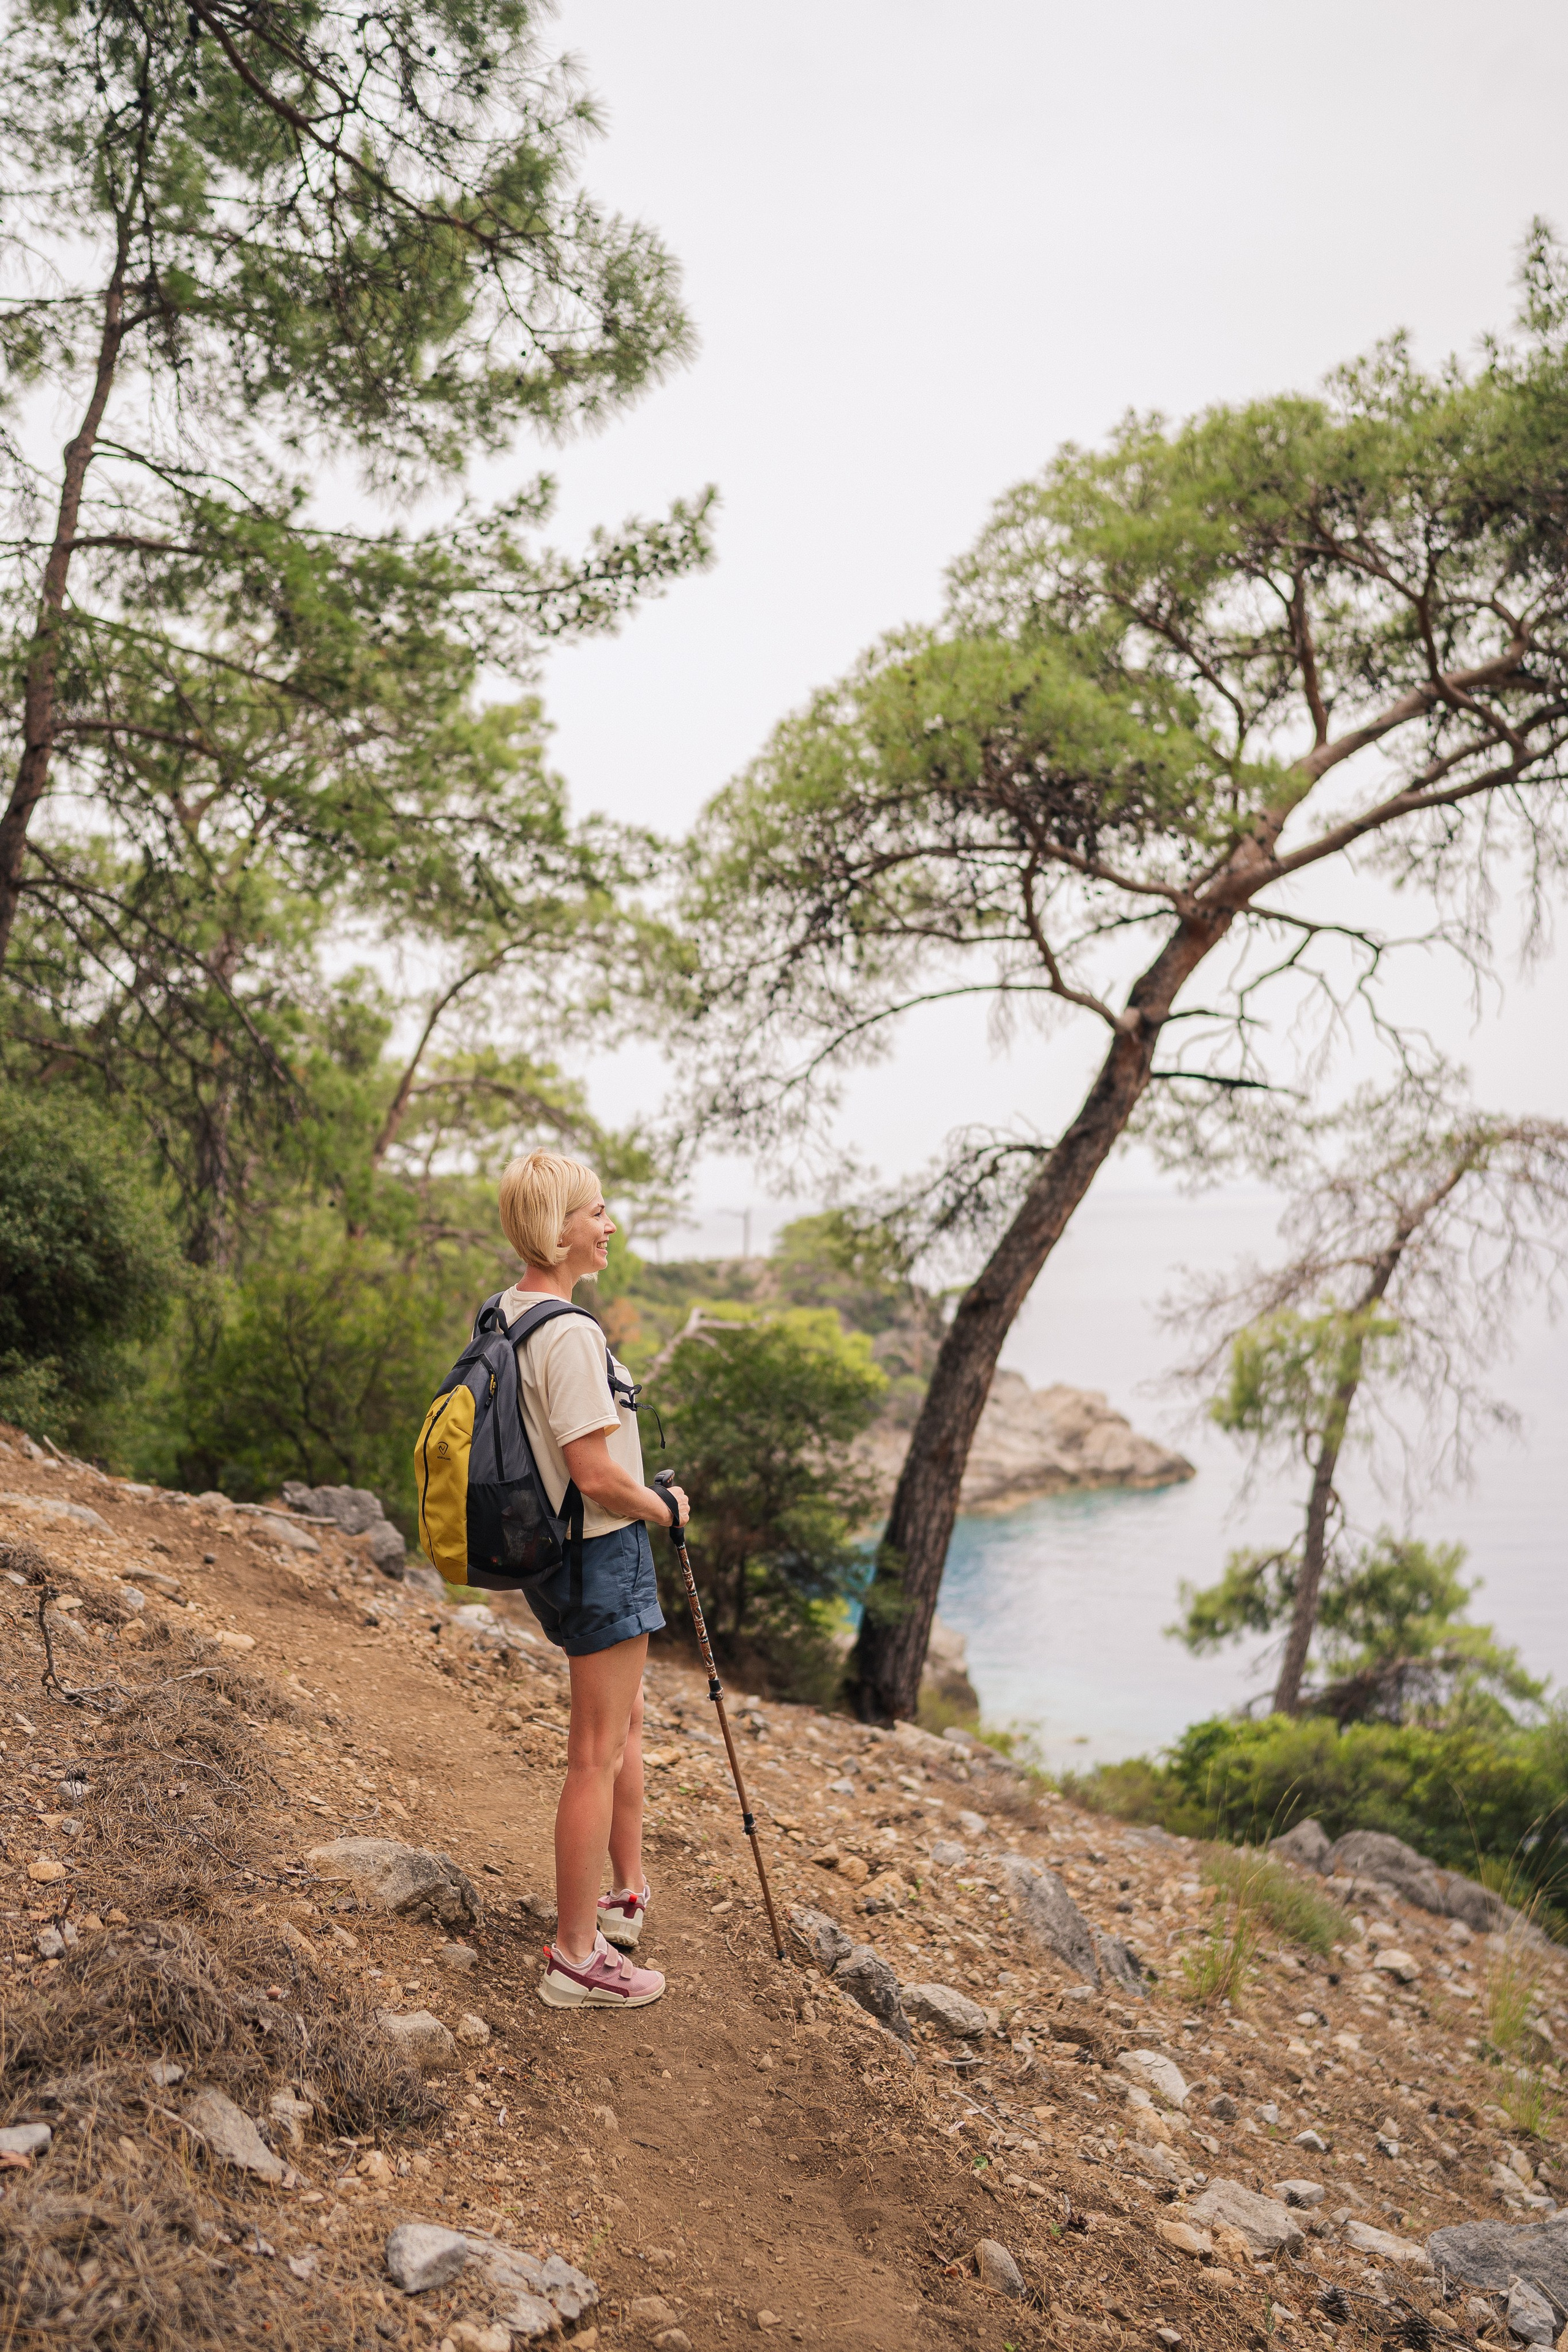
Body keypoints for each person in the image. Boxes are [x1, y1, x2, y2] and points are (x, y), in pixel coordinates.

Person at [495, 1148, 689, 2010]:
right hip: (600, 1551)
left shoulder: (510, 1312)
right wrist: (665, 1508)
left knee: (619, 1727)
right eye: (596, 1212)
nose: (610, 1226)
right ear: (558, 1228)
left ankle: (623, 1896)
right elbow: (595, 1473)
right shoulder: (571, 1334)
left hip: (559, 1551)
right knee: (594, 1754)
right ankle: (576, 1957)